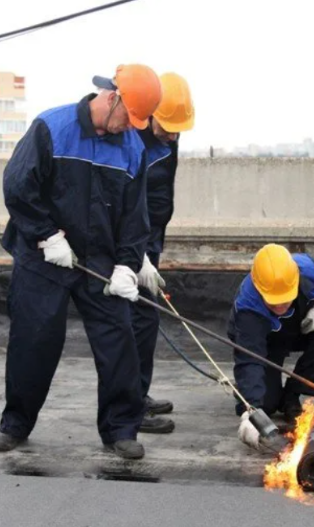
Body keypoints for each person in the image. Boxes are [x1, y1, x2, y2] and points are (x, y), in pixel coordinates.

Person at [0, 64, 162, 460]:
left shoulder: (131, 147)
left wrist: (126, 265)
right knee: (34, 338)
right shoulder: (53, 127)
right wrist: (45, 234)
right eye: (128, 118)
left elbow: (136, 218)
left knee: (119, 337)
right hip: (43, 255)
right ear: (112, 98)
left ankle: (121, 429)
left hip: (98, 258)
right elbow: (17, 186)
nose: (130, 128)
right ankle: (15, 424)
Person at [228, 244, 314, 444]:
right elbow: (250, 358)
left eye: (284, 299)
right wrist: (251, 410)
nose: (279, 306)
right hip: (266, 342)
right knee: (266, 405)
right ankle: (246, 390)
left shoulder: (313, 271)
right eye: (273, 301)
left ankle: (293, 394)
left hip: (302, 327)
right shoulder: (248, 307)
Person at [130, 73, 195, 434]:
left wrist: (152, 251)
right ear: (148, 114)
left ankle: (139, 394)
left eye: (177, 130)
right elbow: (126, 202)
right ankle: (128, 408)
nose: (173, 136)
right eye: (168, 127)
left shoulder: (170, 134)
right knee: (130, 324)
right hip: (129, 245)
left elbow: (159, 196)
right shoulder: (130, 140)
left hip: (151, 240)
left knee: (147, 321)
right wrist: (135, 254)